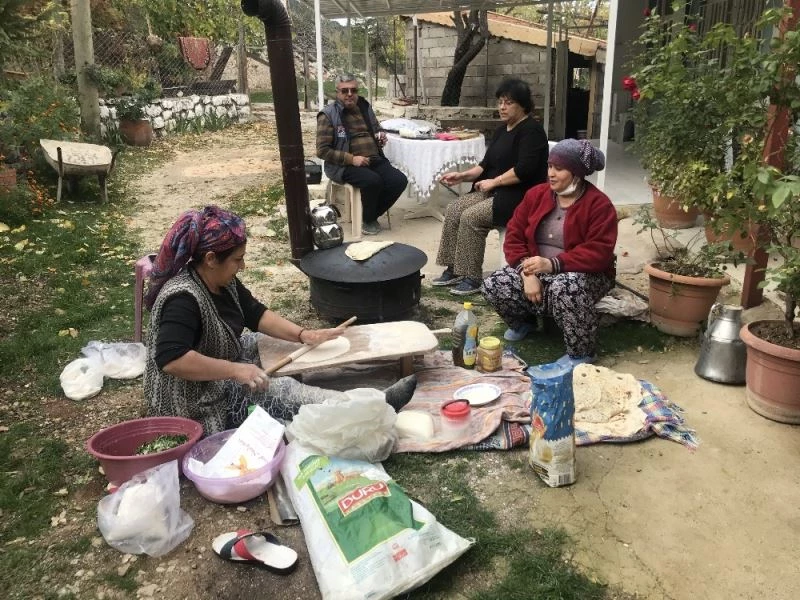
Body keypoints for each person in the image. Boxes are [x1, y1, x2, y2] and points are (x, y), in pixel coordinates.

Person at [142, 206, 416, 435]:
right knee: (274, 389)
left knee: (270, 344)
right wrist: (237, 371)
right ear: (211, 258)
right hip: (192, 401)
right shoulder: (182, 298)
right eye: (238, 260)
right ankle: (366, 405)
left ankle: (322, 397)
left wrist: (303, 335)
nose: (242, 266)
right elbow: (172, 360)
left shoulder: (220, 280)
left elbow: (255, 313)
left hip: (215, 362)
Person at [482, 139, 617, 367]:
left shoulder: (599, 205)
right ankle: (525, 322)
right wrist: (526, 273)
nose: (551, 174)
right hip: (536, 269)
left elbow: (599, 252)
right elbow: (514, 236)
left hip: (584, 274)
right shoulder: (536, 195)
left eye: (559, 168)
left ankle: (582, 352)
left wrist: (552, 264)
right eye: (550, 166)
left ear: (576, 172)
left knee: (567, 286)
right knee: (493, 284)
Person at [432, 78, 549, 296]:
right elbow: (485, 165)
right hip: (495, 190)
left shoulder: (531, 131)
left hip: (520, 196)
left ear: (523, 105)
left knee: (471, 217)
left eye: (509, 103)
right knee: (454, 209)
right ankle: (454, 268)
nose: (502, 107)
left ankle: (472, 276)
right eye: (500, 102)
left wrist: (494, 182)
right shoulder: (501, 130)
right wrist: (462, 176)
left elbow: (524, 170)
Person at [317, 73, 408, 236]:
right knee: (373, 181)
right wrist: (352, 159)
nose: (350, 94)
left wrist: (380, 136)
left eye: (353, 90)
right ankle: (368, 219)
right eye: (345, 91)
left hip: (374, 158)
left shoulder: (364, 107)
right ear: (337, 92)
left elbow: (376, 128)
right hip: (343, 165)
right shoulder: (328, 115)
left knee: (399, 180)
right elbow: (322, 150)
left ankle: (368, 214)